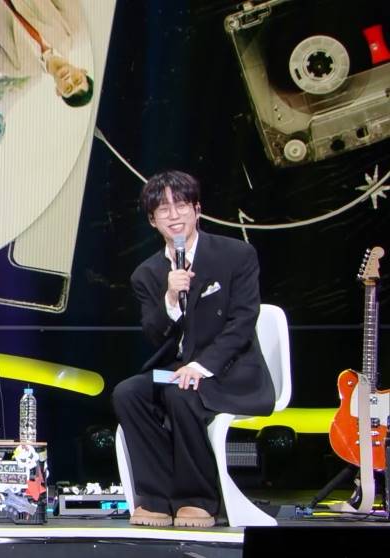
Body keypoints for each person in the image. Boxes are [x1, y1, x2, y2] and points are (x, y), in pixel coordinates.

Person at [112, 170, 275, 528]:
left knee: (181, 392)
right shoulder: (147, 273)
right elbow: (155, 334)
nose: (174, 215)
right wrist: (170, 297)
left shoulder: (236, 255)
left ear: (197, 210)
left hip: (229, 370)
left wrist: (200, 367)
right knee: (128, 393)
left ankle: (197, 498)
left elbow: (242, 322)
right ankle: (156, 498)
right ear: (152, 220)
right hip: (178, 369)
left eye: (181, 205)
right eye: (163, 209)